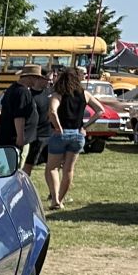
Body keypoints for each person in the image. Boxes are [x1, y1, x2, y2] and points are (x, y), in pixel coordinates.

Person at [42, 66, 91, 209]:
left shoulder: (58, 94)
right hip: (77, 135)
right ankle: (61, 199)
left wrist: (58, 127)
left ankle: (55, 199)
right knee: (69, 170)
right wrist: (85, 126)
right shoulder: (85, 94)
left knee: (52, 168)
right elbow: (100, 110)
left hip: (61, 134)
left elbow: (52, 111)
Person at [0, 65, 43, 168]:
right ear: (30, 77)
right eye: (36, 78)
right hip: (14, 139)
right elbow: (19, 116)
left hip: (8, 137)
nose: (37, 81)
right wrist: (20, 137)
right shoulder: (22, 92)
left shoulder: (13, 88)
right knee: (15, 167)